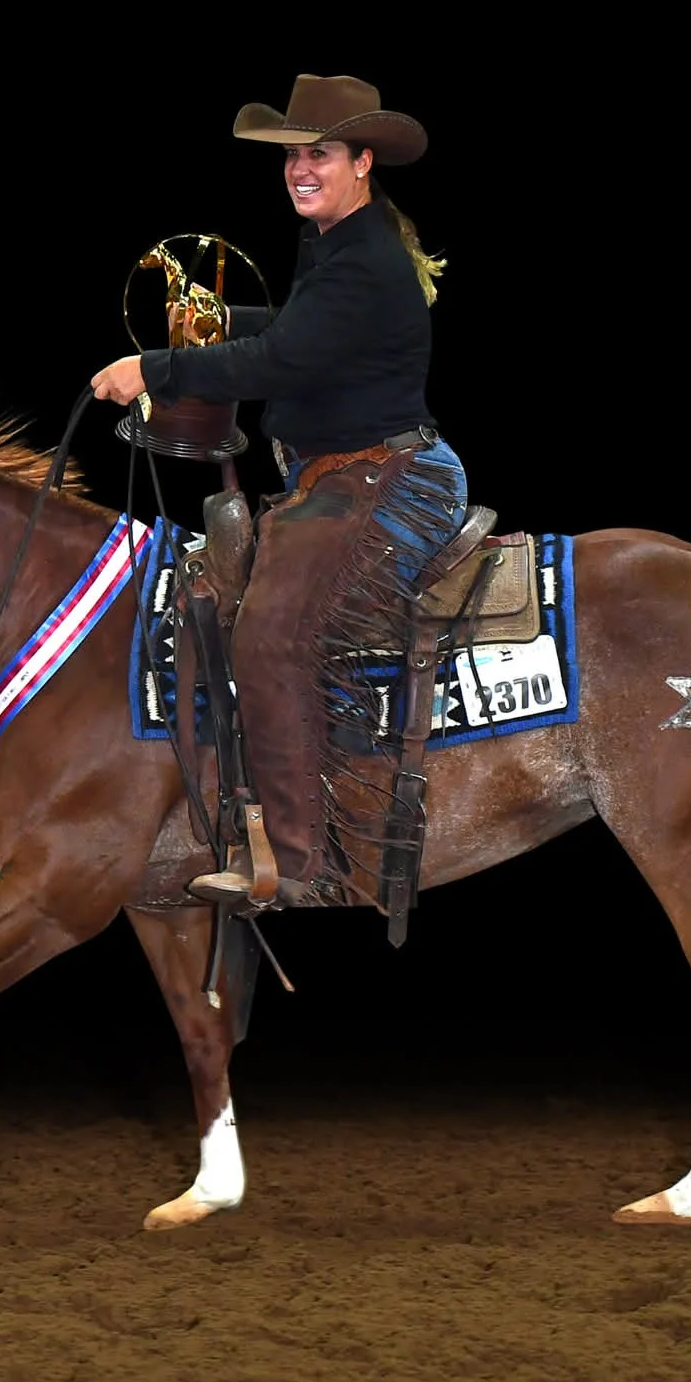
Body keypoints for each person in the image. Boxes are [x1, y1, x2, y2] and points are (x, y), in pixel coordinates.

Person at [91, 73, 468, 910]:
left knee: (268, 636)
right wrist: (222, 323)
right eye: (294, 155)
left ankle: (298, 863)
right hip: (350, 473)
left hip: (387, 480)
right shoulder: (335, 242)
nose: (301, 169)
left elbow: (282, 362)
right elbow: (301, 332)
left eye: (320, 154)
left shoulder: (362, 260)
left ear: (363, 162)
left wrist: (154, 367)